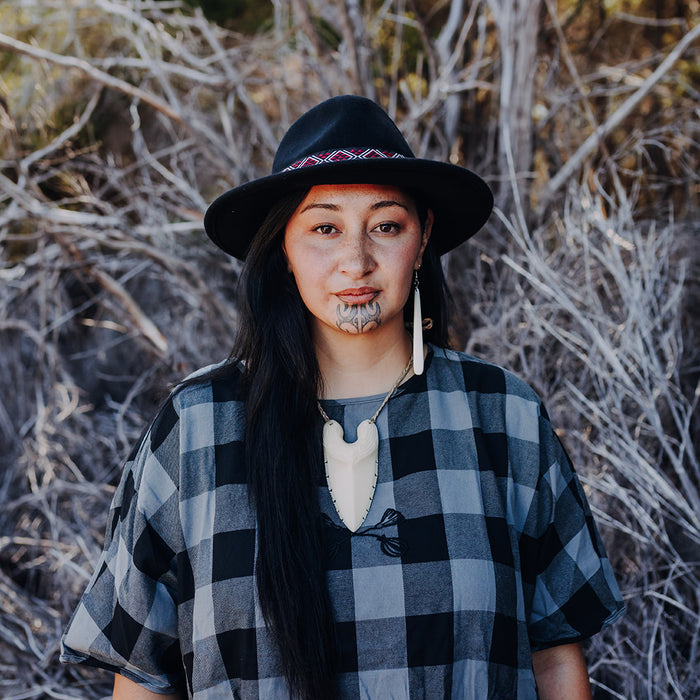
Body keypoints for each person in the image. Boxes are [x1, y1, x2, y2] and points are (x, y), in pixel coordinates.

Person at [60, 95, 624, 699]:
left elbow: (555, 660)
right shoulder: (197, 427)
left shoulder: (502, 417)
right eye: (325, 228)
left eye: (386, 226)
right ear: (282, 245)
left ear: (423, 235)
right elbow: (144, 679)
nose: (356, 261)